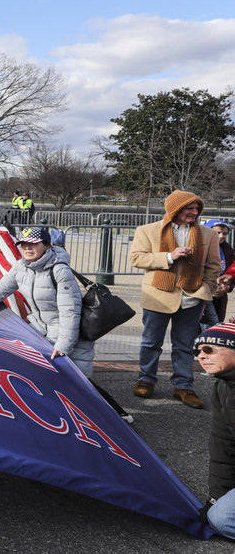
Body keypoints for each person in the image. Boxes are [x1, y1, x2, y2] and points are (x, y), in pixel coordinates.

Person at [0, 226, 133, 421]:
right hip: (41, 332)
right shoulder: (22, 267)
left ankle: (118, 417)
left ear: (47, 245)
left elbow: (70, 312)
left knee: (81, 384)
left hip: (68, 335)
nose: (27, 248)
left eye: (33, 244)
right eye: (23, 244)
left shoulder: (59, 270)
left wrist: (64, 345)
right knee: (43, 376)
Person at [128, 190, 220, 408]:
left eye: (197, 209)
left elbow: (214, 265)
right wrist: (170, 256)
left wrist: (206, 289)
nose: (194, 212)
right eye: (189, 208)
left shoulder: (208, 234)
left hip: (192, 297)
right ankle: (146, 380)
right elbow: (136, 258)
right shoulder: (147, 230)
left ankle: (183, 386)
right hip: (157, 296)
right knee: (151, 342)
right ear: (175, 209)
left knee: (185, 346)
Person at [193, 323, 235, 538]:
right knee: (219, 516)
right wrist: (216, 497)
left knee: (224, 518)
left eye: (209, 350)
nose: (201, 356)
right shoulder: (221, 387)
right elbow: (223, 445)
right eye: (198, 351)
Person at [203, 220, 235, 328]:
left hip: (220, 293)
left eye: (225, 233)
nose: (221, 236)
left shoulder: (227, 249)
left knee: (215, 320)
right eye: (217, 233)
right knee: (210, 323)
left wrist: (227, 285)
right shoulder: (200, 247)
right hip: (202, 292)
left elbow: (230, 269)